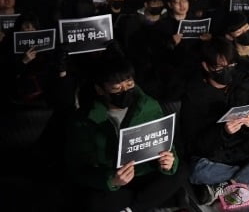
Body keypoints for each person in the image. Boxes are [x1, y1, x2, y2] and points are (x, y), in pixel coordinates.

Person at [64, 58, 186, 212]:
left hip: (147, 173)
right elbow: (78, 169)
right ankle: (148, 201)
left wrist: (169, 162)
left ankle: (132, 208)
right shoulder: (85, 119)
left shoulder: (149, 105)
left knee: (179, 172)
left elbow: (165, 142)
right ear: (100, 89)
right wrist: (112, 180)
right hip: (116, 180)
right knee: (92, 202)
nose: (125, 91)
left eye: (129, 85)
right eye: (117, 88)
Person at [181, 38, 249, 205]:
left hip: (244, 148)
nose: (227, 71)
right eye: (220, 68)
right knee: (197, 171)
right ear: (206, 67)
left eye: (231, 66)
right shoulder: (194, 95)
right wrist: (223, 132)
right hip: (214, 156)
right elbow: (194, 144)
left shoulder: (244, 83)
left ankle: (224, 187)